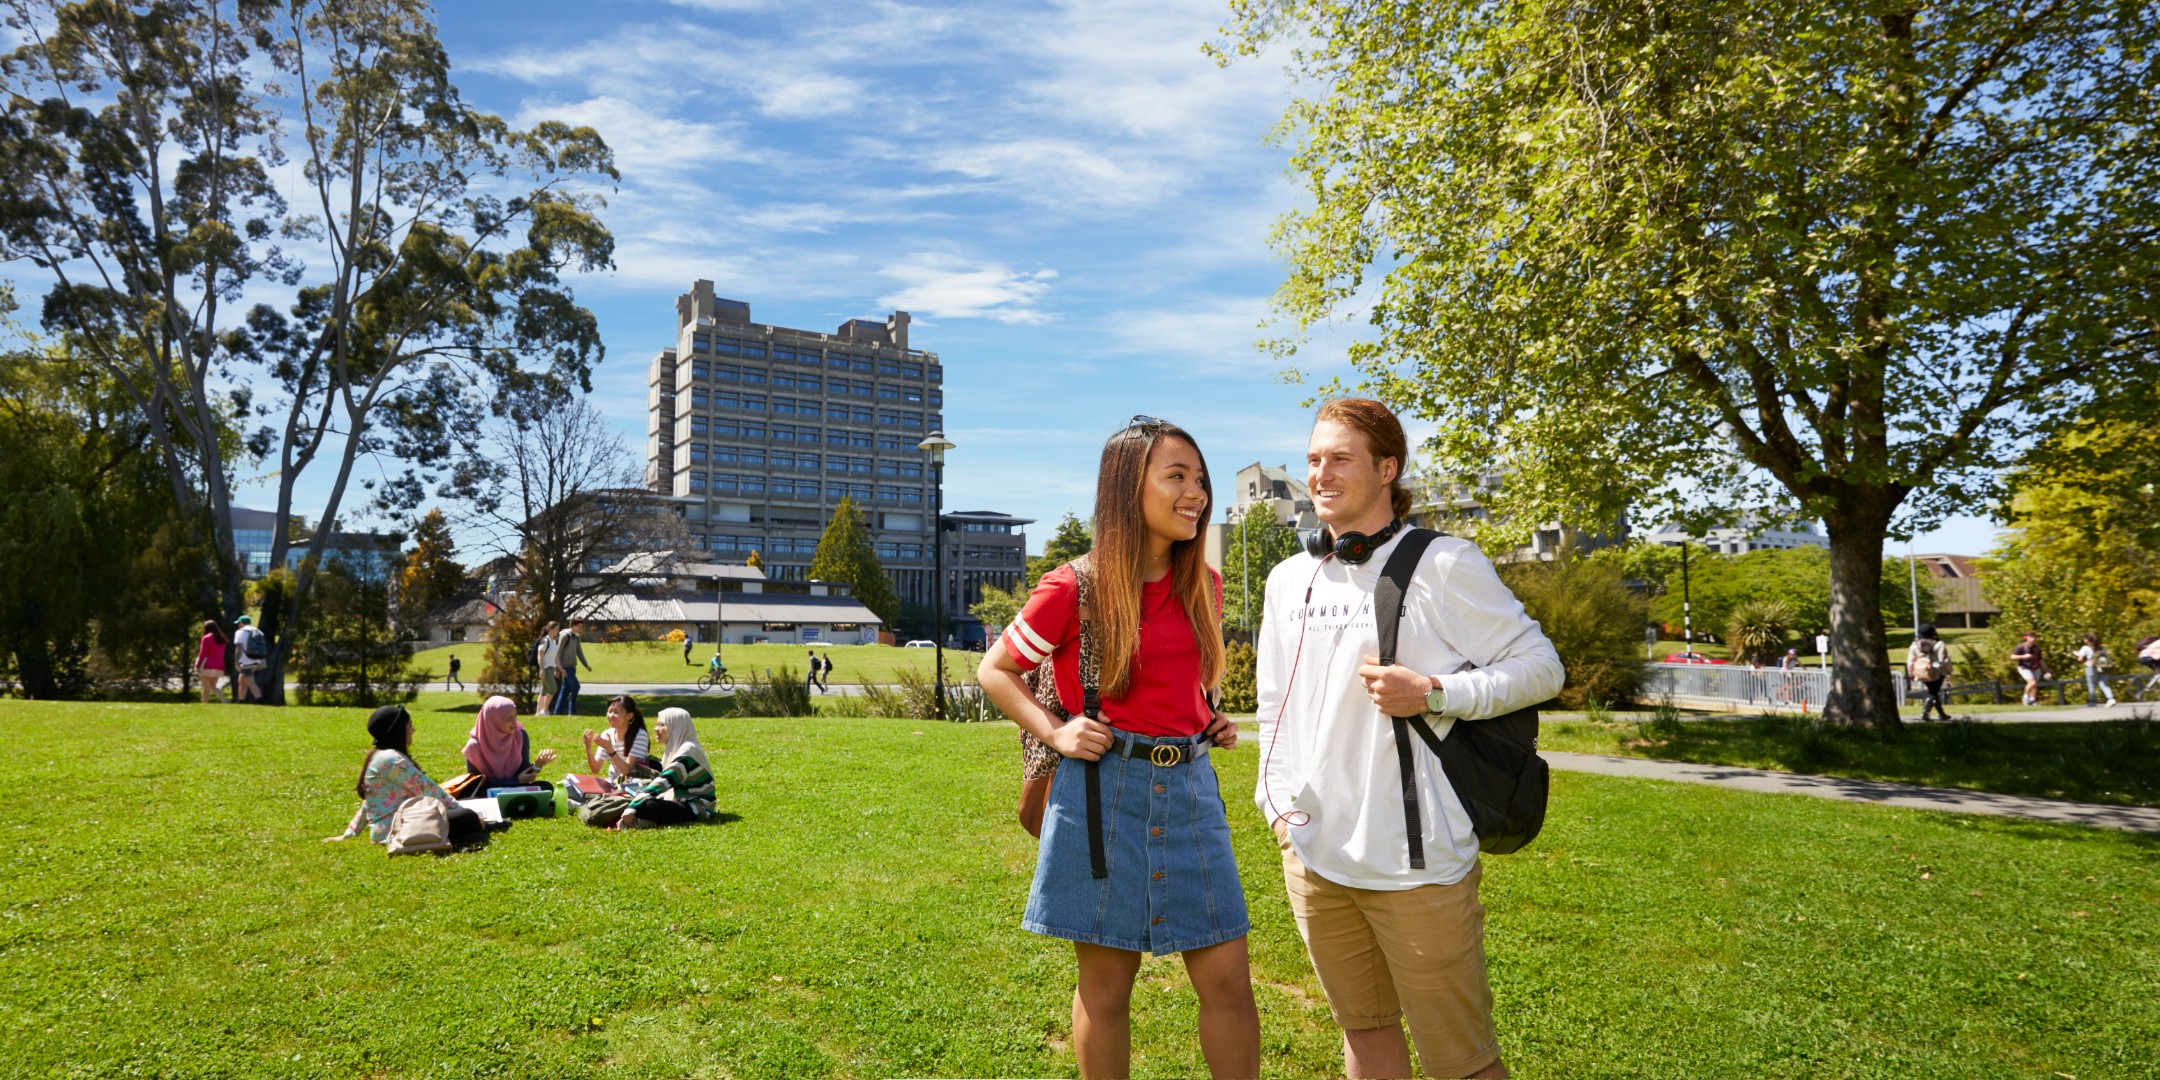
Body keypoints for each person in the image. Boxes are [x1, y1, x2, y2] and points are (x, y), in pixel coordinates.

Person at [1257, 399, 1564, 1080]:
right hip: (1314, 859)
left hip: (1416, 866)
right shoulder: (1287, 580)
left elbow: (1543, 668)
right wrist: (1275, 807)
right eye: (1313, 459)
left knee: (1463, 1062)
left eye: (1339, 458)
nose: (1320, 473)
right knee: (1364, 1037)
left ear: (1387, 468)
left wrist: (1435, 692)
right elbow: (1276, 703)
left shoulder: (1445, 563)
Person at [979, 415, 1258, 1080]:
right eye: (1176, 477)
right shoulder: (1073, 586)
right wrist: (1055, 730)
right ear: (1128, 490)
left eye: (1200, 478)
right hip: (1101, 796)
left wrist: (1210, 717)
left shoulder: (1206, 588)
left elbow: (1186, 682)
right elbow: (996, 670)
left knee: (1228, 983)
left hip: (1190, 794)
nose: (1196, 492)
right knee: (1106, 992)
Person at [327, 704, 492, 847]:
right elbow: (429, 791)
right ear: (400, 731)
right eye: (410, 725)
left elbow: (369, 803)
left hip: (397, 826)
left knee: (468, 805)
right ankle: (481, 825)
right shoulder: (392, 760)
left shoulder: (379, 756)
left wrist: (350, 833)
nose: (413, 730)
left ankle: (471, 831)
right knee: (466, 816)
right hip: (399, 829)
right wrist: (467, 813)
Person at [618, 707, 716, 829]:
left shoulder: (687, 752)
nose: (655, 729)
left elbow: (665, 781)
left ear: (675, 727)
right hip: (681, 800)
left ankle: (643, 821)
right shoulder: (676, 748)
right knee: (641, 800)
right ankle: (643, 819)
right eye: (656, 724)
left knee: (647, 805)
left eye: (661, 725)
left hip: (697, 807)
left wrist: (633, 806)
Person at [463, 695, 557, 791]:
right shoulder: (474, 746)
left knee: (546, 788)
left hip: (515, 789)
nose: (514, 722)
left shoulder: (520, 736)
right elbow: (475, 784)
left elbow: (523, 774)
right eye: (509, 718)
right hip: (488, 792)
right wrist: (515, 781)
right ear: (494, 720)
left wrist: (538, 765)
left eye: (515, 716)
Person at [581, 694, 657, 785]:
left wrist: (611, 750)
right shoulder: (607, 734)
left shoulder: (640, 735)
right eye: (609, 711)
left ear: (629, 716)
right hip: (612, 783)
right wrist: (588, 747)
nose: (611, 715)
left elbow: (626, 771)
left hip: (633, 784)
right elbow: (595, 769)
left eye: (616, 712)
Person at [1908, 624, 1952, 722]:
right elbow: (1943, 660)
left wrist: (1911, 673)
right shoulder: (1939, 644)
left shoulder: (1914, 645)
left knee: (1933, 692)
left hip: (1922, 672)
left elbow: (1910, 661)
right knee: (1933, 692)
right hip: (1937, 672)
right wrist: (1947, 670)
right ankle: (1925, 712)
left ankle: (1942, 714)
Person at [553, 619, 593, 717]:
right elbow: (558, 654)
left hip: (572, 667)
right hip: (566, 668)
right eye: (580, 626)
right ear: (573, 625)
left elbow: (579, 652)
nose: (581, 628)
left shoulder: (576, 637)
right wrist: (558, 669)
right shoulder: (565, 636)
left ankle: (557, 713)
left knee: (565, 690)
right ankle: (572, 712)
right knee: (576, 687)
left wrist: (586, 665)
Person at [2075, 633, 2118, 707]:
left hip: (2091, 667)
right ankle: (2111, 699)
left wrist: (2078, 654)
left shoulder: (2085, 648)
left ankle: (2092, 701)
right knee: (2104, 684)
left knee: (2091, 685)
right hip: (2103, 667)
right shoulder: (2100, 647)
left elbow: (2080, 659)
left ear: (2086, 640)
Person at [231, 615, 267, 704]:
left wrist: (236, 661)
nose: (238, 625)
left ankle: (260, 700)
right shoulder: (258, 631)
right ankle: (241, 700)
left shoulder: (240, 632)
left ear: (241, 623)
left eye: (239, 623)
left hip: (246, 661)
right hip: (257, 660)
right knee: (241, 680)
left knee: (250, 681)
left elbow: (238, 648)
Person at [194, 620, 229, 704]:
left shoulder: (206, 638)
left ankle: (204, 704)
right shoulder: (222, 638)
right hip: (219, 666)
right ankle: (224, 700)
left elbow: (202, 653)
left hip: (206, 665)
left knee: (206, 687)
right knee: (213, 686)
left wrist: (197, 665)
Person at [535, 620, 561, 716]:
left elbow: (555, 658)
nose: (558, 631)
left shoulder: (553, 641)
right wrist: (541, 669)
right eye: (556, 629)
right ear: (550, 629)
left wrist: (559, 669)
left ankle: (538, 712)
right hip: (545, 668)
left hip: (551, 669)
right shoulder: (545, 640)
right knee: (553, 688)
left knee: (544, 691)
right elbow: (540, 655)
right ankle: (544, 710)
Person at [2011, 632, 2044, 706]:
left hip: (2035, 667)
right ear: (2026, 638)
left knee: (2035, 684)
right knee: (2032, 682)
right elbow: (2012, 657)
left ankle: (2032, 700)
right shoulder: (2021, 646)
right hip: (2024, 667)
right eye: (2031, 637)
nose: (2033, 638)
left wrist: (2046, 669)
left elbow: (2040, 659)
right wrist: (2023, 656)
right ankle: (2025, 697)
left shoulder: (2037, 648)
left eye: (2034, 637)